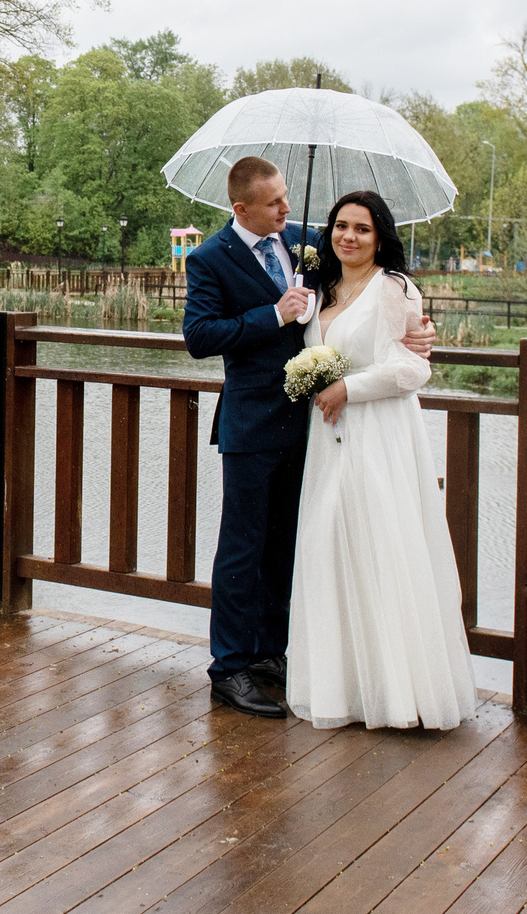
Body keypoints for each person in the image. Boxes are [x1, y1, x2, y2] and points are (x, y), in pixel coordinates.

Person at [181, 157, 434, 718]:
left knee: (286, 546)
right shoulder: (209, 258)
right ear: (242, 207)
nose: (287, 208)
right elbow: (198, 336)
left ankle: (271, 653)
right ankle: (229, 668)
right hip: (251, 424)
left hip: (314, 426)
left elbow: (367, 291)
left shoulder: (306, 243)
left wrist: (419, 330)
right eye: (274, 202)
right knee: (242, 549)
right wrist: (272, 315)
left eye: (286, 197)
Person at [289, 189, 477, 730]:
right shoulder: (319, 289)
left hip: (379, 434)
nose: (348, 237)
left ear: (380, 237)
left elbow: (413, 369)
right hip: (330, 437)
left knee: (382, 547)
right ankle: (344, 689)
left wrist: (348, 388)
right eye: (340, 226)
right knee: (330, 546)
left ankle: (401, 696)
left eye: (362, 228)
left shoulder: (394, 288)